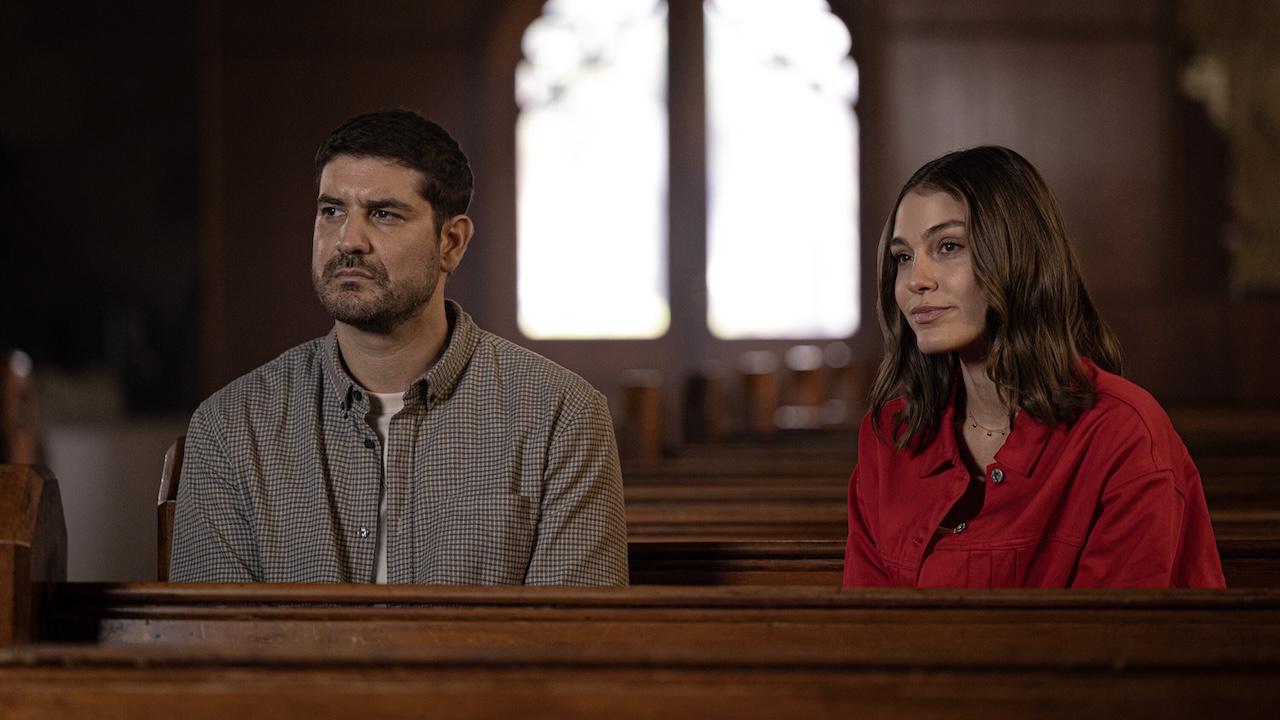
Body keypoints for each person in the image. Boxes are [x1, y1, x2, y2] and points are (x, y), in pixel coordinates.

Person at [170, 108, 629, 585]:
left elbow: (570, 645)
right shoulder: (231, 425)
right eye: (332, 211)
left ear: (451, 242)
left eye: (383, 214)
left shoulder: (560, 416)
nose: (348, 240)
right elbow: (212, 644)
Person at [843, 145, 1225, 588]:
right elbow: (866, 628)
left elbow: (1115, 646)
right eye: (903, 256)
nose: (914, 280)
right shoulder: (890, 433)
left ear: (1019, 256)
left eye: (948, 246)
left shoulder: (1123, 434)